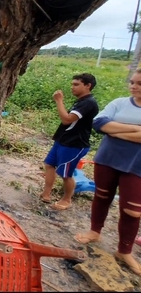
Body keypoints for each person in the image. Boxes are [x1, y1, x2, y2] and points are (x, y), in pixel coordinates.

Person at [74, 68, 141, 275]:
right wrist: (137, 131)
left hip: (136, 164)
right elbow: (100, 124)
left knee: (133, 210)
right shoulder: (119, 103)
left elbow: (108, 127)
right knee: (102, 196)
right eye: (132, 82)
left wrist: (116, 129)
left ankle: (124, 250)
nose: (133, 86)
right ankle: (95, 231)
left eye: (139, 83)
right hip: (108, 159)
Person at [40, 73, 99, 211]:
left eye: (76, 84)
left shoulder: (88, 103)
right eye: (72, 84)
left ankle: (67, 199)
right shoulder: (80, 101)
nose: (72, 87)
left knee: (66, 174)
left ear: (88, 86)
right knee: (49, 165)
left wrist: (59, 101)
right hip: (63, 140)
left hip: (74, 144)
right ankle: (46, 194)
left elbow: (67, 119)